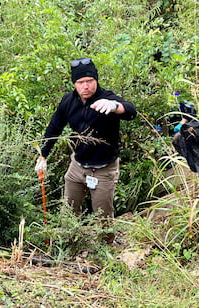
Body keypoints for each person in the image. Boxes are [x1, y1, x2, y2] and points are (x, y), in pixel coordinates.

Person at [35, 57, 137, 243]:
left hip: (103, 169)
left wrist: (115, 107)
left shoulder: (107, 98)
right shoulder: (68, 101)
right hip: (77, 165)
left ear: (96, 80)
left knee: (103, 216)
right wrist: (43, 155)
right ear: (74, 83)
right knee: (69, 209)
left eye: (90, 81)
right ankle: (69, 244)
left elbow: (130, 111)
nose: (86, 86)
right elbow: (54, 127)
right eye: (80, 82)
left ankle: (105, 250)